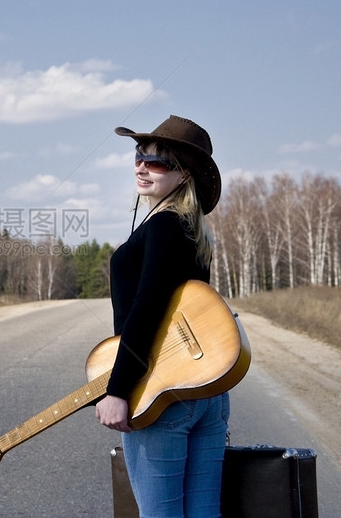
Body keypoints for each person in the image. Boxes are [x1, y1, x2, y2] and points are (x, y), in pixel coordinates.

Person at [95, 115, 227, 517]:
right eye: (139, 156)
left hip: (163, 392)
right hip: (208, 393)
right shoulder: (189, 228)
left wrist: (118, 390)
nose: (141, 166)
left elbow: (147, 308)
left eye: (157, 161)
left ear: (184, 174)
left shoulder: (165, 225)